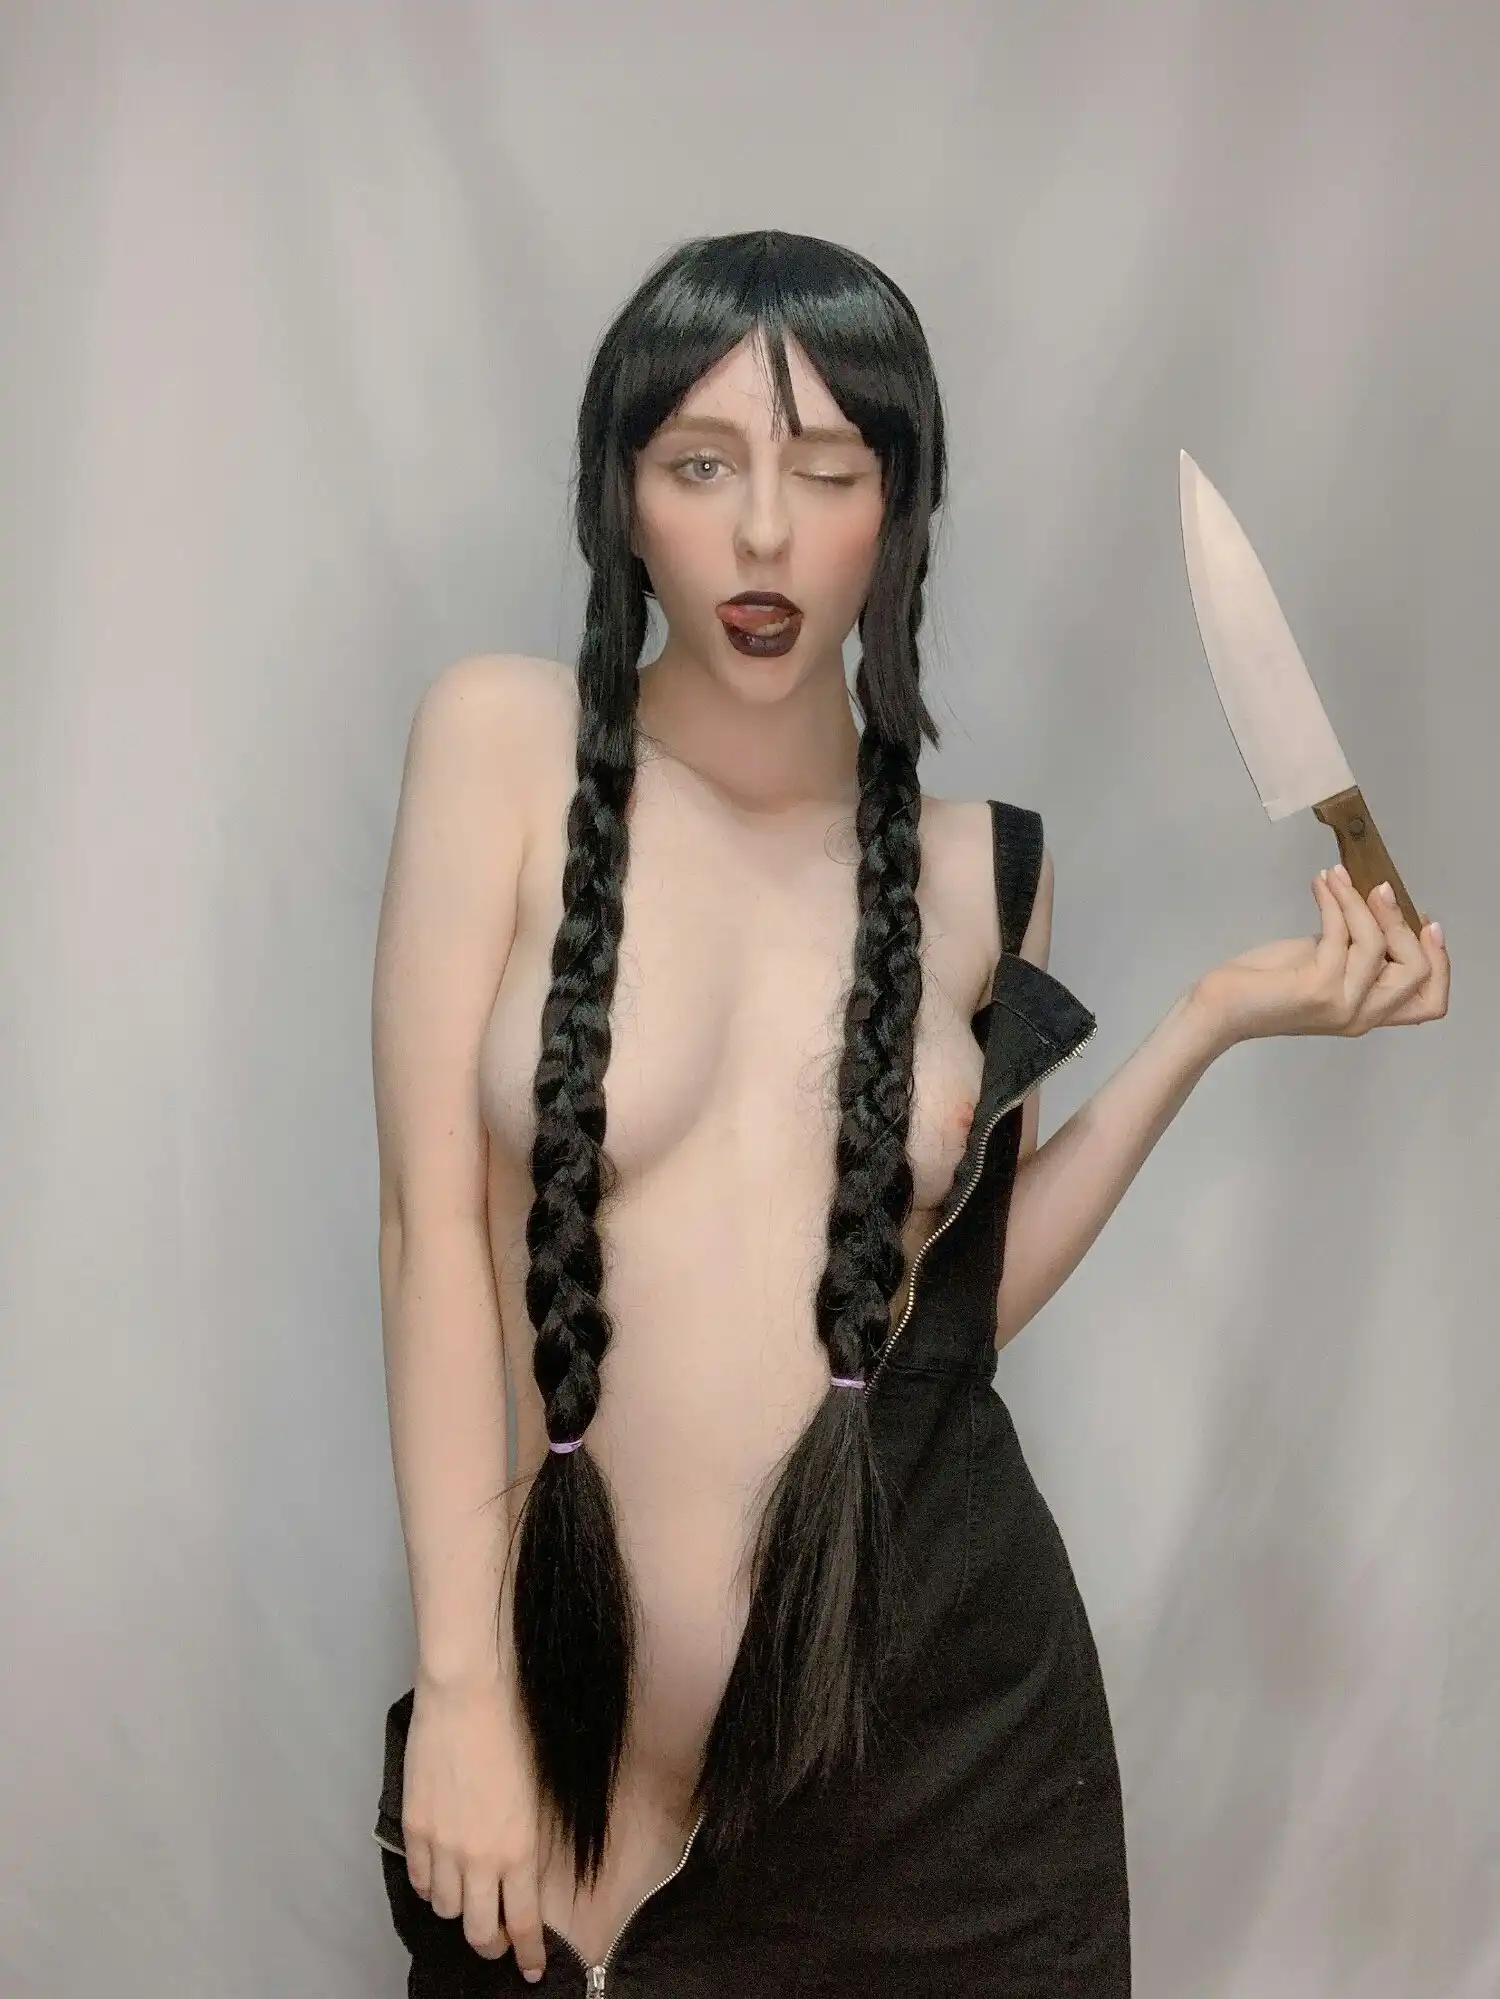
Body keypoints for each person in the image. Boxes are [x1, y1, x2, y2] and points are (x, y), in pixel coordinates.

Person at [368, 229, 1450, 1996]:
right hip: (566, 1749)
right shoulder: (501, 747)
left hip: (937, 1758)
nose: (764, 532)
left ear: (900, 509)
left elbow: (943, 1316)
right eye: (701, 465)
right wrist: (467, 1690)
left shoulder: (982, 872)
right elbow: (429, 1224)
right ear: (620, 499)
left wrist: (1206, 1023)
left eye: (827, 470)